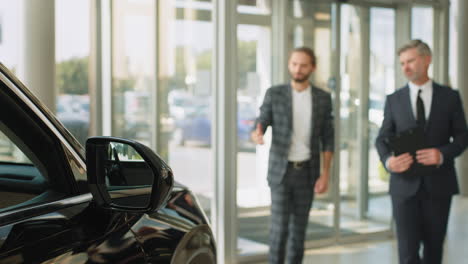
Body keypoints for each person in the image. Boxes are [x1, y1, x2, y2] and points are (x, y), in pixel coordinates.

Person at [375, 39, 468, 264]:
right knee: (407, 253)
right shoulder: (393, 99)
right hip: (403, 187)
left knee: (434, 251)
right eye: (402, 63)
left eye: (410, 61)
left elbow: (463, 137)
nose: (405, 67)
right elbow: (381, 139)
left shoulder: (450, 97)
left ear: (427, 60)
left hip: (439, 185)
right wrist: (388, 162)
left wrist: (442, 154)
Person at [251, 46, 334, 264]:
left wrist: (325, 174)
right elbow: (262, 119)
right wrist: (257, 132)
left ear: (312, 68)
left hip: (307, 173)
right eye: (294, 64)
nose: (298, 69)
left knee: (299, 232)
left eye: (303, 65)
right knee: (279, 230)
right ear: (289, 65)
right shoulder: (275, 93)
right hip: (281, 172)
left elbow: (328, 138)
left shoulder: (323, 99)